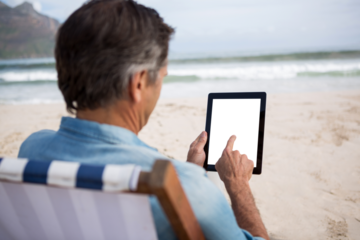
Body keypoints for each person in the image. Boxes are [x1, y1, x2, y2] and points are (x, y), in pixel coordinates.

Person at [18, 0, 269, 239]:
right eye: (162, 76)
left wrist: (188, 172)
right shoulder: (190, 187)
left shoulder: (32, 149)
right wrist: (237, 185)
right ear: (138, 83)